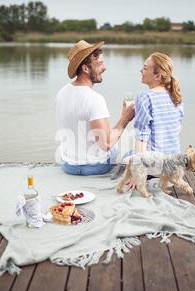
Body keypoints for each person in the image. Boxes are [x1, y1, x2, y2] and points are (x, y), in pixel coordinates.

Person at [55, 40, 135, 175]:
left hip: (68, 165)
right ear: (85, 68)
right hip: (95, 167)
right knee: (126, 150)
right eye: (100, 64)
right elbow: (106, 144)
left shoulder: (61, 92)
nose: (104, 67)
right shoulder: (94, 99)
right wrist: (125, 119)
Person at [125, 52, 184, 190]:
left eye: (145, 68)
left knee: (126, 155)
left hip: (155, 170)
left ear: (157, 76)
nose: (141, 70)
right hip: (174, 169)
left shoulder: (145, 96)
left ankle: (150, 180)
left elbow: (141, 137)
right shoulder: (176, 95)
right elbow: (177, 129)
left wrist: (136, 174)